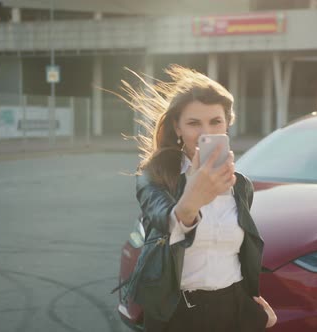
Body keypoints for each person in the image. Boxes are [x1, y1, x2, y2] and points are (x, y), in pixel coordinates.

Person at [121, 65, 277, 332]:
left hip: (233, 307)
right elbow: (163, 221)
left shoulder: (240, 186)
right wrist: (193, 194)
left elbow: (241, 251)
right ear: (177, 127)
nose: (206, 132)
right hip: (175, 312)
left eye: (215, 122)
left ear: (227, 124)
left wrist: (254, 308)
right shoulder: (155, 175)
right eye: (194, 123)